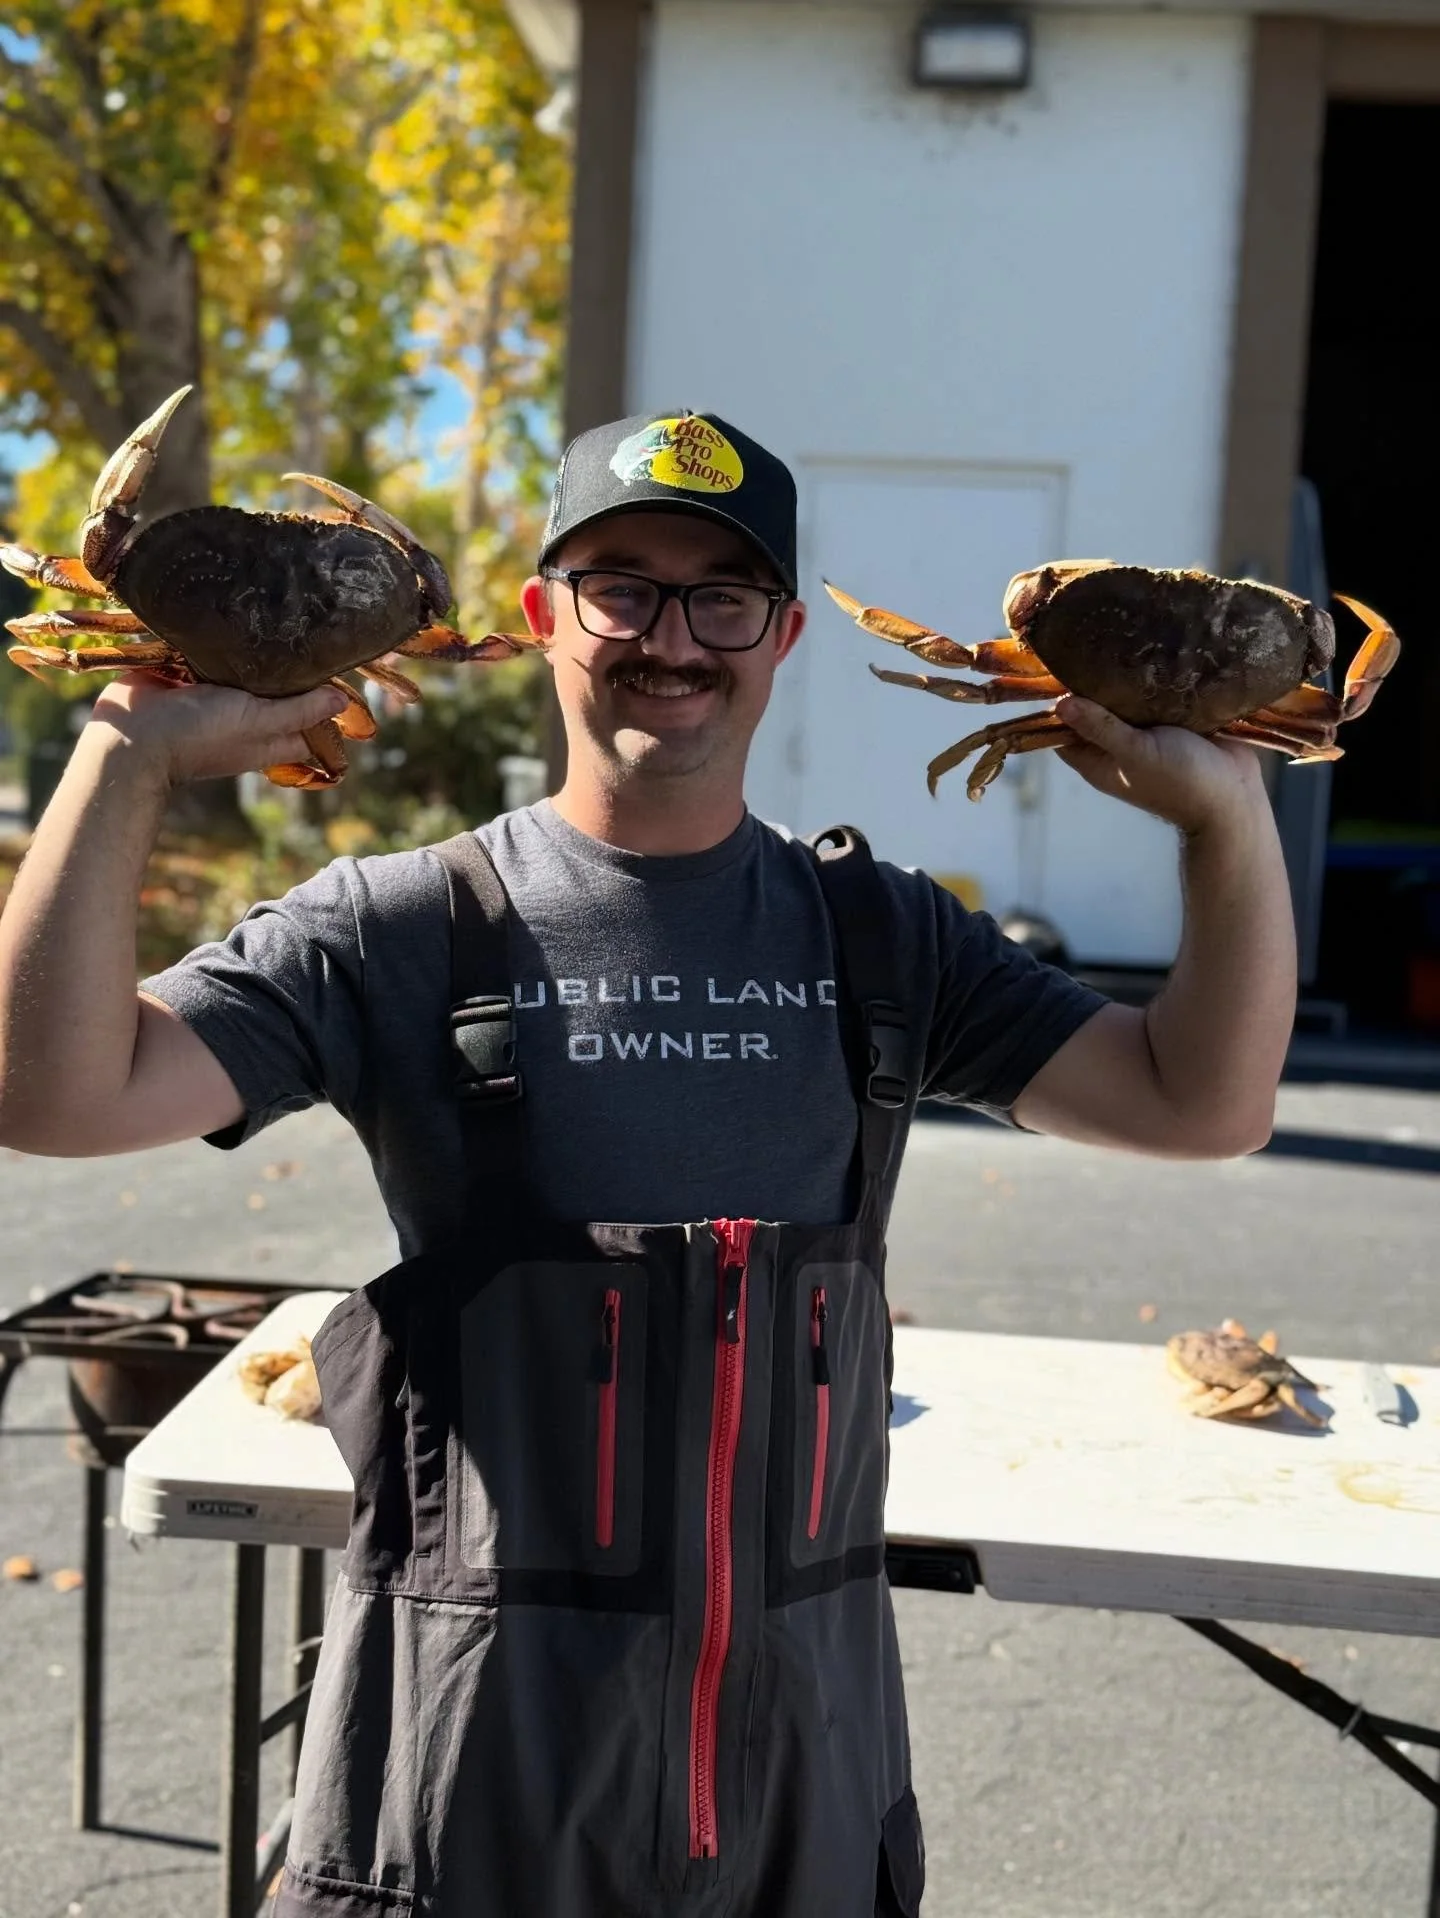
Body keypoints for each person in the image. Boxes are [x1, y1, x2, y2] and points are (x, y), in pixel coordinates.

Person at [0, 409, 1296, 1916]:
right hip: (469, 1759)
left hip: (801, 1762)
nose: (670, 638)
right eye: (620, 585)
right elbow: (56, 1095)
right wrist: (124, 748)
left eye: (721, 597)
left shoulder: (881, 935)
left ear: (783, 635)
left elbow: (1203, 1104)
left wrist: (1225, 819)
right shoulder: (397, 927)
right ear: (547, 618)